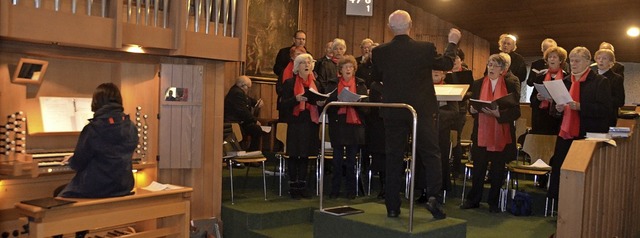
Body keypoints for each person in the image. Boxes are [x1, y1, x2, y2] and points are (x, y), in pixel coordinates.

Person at [371, 9, 461, 219]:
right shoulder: (424, 48)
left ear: (390, 27)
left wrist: (391, 93)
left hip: (394, 111)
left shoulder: (380, 51)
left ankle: (392, 206)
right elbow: (447, 64)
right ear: (411, 25)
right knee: (431, 154)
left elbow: (374, 80)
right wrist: (453, 42)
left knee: (393, 157)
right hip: (421, 110)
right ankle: (433, 199)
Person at [547, 47, 611, 202]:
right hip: (565, 133)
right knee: (560, 168)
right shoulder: (566, 81)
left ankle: (579, 203)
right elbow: (554, 113)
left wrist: (580, 107)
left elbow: (606, 110)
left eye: (577, 61)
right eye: (571, 61)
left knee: (581, 171)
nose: (573, 64)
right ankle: (558, 203)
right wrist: (558, 109)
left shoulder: (600, 82)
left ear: (588, 62)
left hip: (586, 134)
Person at [460, 53, 521, 213]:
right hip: (481, 132)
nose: (491, 68)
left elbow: (516, 112)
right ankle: (474, 199)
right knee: (479, 167)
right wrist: (472, 109)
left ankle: (493, 202)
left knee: (497, 169)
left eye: (495, 65)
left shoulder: (509, 84)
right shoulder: (478, 83)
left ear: (502, 69)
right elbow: (473, 105)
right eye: (489, 65)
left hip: (501, 132)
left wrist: (499, 115)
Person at [58, 83, 138, 198]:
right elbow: (112, 152)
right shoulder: (131, 126)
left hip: (97, 188)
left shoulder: (93, 129)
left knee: (60, 196)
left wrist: (71, 159)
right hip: (123, 186)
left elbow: (78, 164)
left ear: (96, 102)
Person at [280, 53, 324, 199]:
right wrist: (296, 99)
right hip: (295, 123)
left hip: (310, 123)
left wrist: (320, 104)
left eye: (309, 62)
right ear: (297, 67)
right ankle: (293, 186)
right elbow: (282, 105)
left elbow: (322, 101)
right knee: (294, 154)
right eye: (304, 63)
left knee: (305, 155)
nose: (307, 65)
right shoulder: (289, 83)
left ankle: (302, 186)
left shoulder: (317, 84)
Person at [325, 55, 369, 200]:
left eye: (351, 67)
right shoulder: (332, 84)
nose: (348, 69)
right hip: (338, 124)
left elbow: (367, 109)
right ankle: (334, 190)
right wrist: (337, 101)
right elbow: (327, 105)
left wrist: (356, 103)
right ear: (340, 70)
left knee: (351, 161)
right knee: (337, 161)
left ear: (354, 69)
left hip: (354, 126)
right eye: (345, 67)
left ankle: (351, 190)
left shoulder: (361, 84)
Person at [417, 69, 459, 203]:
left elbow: (454, 112)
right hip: (424, 129)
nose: (435, 73)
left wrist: (436, 114)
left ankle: (437, 192)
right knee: (422, 160)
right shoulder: (423, 88)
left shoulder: (450, 89)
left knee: (440, 161)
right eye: (432, 70)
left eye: (438, 71)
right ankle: (423, 190)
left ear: (444, 74)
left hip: (441, 131)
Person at [527, 46, 567, 135]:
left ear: (560, 60)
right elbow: (532, 100)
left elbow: (567, 100)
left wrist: (554, 100)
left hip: (557, 119)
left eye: (554, 57)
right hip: (541, 118)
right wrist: (537, 98)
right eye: (550, 57)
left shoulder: (566, 78)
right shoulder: (540, 77)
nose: (551, 59)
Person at [224, 76, 264, 151]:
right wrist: (254, 120)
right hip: (234, 123)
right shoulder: (237, 93)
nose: (248, 90)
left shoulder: (236, 91)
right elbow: (243, 111)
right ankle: (251, 153)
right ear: (242, 85)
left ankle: (251, 153)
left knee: (256, 130)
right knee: (256, 130)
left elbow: (247, 99)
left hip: (239, 122)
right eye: (248, 87)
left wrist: (256, 102)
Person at [594, 48, 624, 127]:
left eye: (604, 58)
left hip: (607, 117)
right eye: (598, 58)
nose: (601, 61)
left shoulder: (616, 78)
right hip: (591, 116)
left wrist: (603, 99)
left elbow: (620, 101)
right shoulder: (591, 77)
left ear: (611, 62)